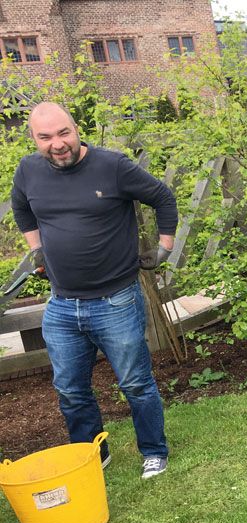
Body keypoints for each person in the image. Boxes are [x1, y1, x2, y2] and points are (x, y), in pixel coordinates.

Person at [10, 102, 177, 479]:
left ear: (76, 129)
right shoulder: (28, 171)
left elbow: (163, 197)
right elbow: (22, 209)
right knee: (70, 389)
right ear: (34, 139)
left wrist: (164, 248)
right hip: (62, 304)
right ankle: (91, 454)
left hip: (115, 301)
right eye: (46, 137)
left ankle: (153, 451)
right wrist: (36, 248)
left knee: (135, 383)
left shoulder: (112, 166)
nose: (57, 143)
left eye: (63, 133)